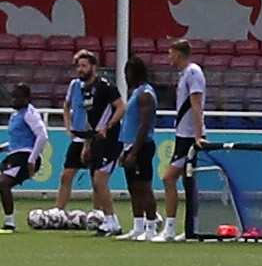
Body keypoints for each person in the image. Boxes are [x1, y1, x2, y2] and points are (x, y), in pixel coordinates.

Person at [56, 47, 117, 229]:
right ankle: (59, 210)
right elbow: (66, 106)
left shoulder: (101, 87)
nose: (80, 69)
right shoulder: (75, 85)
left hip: (94, 136)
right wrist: (68, 126)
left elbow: (115, 107)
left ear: (93, 66)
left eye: (83, 65)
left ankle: (97, 212)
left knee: (96, 178)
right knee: (67, 174)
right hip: (79, 137)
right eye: (78, 66)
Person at [160, 39, 208, 241]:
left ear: (178, 54)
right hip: (183, 134)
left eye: (170, 53)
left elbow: (196, 104)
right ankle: (191, 229)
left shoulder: (193, 72)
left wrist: (198, 134)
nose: (169, 57)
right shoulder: (184, 75)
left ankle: (170, 228)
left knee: (168, 178)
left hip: (189, 137)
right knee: (187, 182)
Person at [115, 55, 162, 242]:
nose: (126, 76)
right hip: (130, 145)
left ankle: (151, 226)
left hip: (141, 146)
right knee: (133, 188)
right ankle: (138, 226)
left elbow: (144, 125)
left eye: (128, 72)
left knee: (144, 187)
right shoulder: (136, 93)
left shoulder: (145, 95)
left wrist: (134, 151)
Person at [1, 84, 41, 222]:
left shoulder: (30, 114)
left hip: (25, 156)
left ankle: (10, 222)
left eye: (17, 97)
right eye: (12, 96)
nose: (13, 100)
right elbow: (18, 142)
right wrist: (3, 147)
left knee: (3, 183)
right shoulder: (15, 115)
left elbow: (42, 136)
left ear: (26, 98)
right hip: (15, 155)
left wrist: (32, 160)